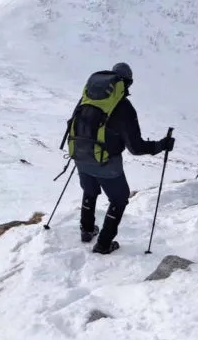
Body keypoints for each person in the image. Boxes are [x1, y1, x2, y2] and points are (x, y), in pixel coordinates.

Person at [63, 62, 174, 254]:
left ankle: (87, 230)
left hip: (80, 156)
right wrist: (161, 145)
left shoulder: (86, 98)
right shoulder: (124, 108)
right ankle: (104, 244)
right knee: (119, 198)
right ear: (128, 84)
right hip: (108, 164)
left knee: (90, 191)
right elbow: (136, 147)